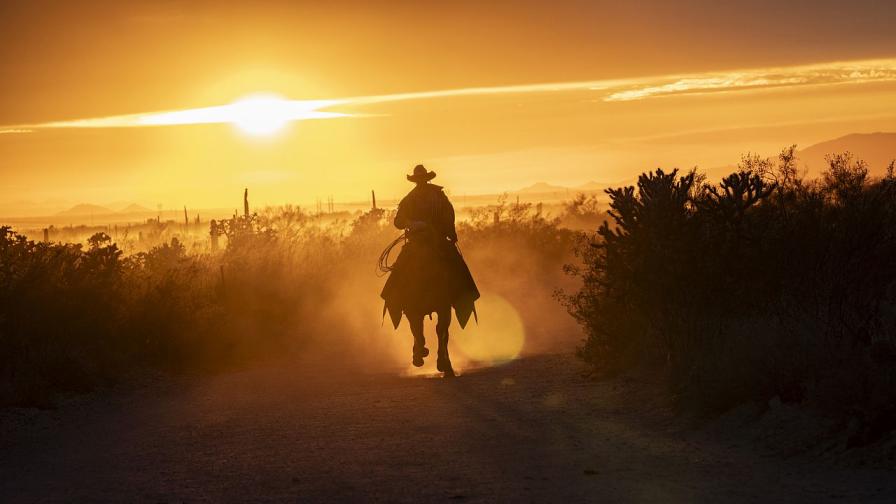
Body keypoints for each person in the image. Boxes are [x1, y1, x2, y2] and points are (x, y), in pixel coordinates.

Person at [380, 164, 479, 376]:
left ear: (425, 179)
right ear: (418, 180)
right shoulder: (418, 198)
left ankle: (431, 346)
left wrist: (448, 231)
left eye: (422, 179)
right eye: (419, 180)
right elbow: (399, 221)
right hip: (425, 243)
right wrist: (413, 223)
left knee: (405, 275)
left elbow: (448, 217)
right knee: (450, 269)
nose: (421, 182)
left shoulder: (431, 197)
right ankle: (426, 341)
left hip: (432, 243)